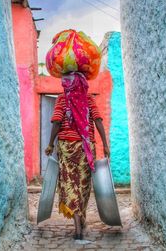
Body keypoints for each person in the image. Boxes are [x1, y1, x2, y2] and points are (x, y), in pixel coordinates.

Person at [45, 71, 110, 240]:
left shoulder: (62, 99)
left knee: (70, 185)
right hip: (86, 148)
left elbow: (57, 122)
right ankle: (80, 221)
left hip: (67, 148)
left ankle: (78, 226)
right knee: (83, 185)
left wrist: (51, 143)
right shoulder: (88, 99)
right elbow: (98, 121)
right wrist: (105, 143)